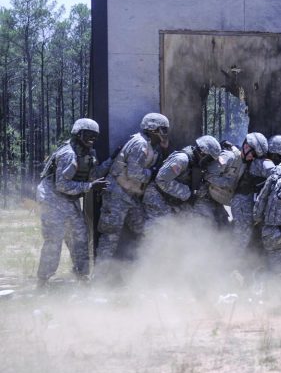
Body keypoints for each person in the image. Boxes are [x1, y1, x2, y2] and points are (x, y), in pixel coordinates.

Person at [35, 118, 110, 288]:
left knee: (80, 237)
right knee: (54, 239)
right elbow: (62, 185)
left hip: (69, 200)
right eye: (88, 135)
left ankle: (81, 275)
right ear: (78, 134)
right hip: (53, 198)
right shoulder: (68, 154)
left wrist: (112, 160)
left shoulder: (89, 154)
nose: (92, 139)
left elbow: (92, 174)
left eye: (94, 136)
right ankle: (43, 281)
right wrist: (90, 186)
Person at [96, 113, 169, 273]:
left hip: (130, 196)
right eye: (162, 129)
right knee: (110, 236)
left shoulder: (151, 146)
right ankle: (99, 279)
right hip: (117, 194)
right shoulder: (139, 144)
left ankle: (139, 274)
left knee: (145, 231)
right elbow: (134, 173)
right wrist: (155, 173)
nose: (165, 133)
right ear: (151, 129)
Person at [142, 135, 221, 225]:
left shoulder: (196, 164)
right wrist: (187, 192)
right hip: (156, 196)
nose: (210, 162)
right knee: (162, 227)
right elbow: (161, 179)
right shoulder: (182, 160)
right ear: (203, 153)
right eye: (210, 158)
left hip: (172, 199)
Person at [229, 133, 275, 253]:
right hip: (241, 205)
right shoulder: (237, 157)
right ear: (246, 146)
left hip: (247, 206)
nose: (251, 158)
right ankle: (232, 265)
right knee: (241, 237)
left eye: (255, 156)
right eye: (251, 154)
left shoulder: (258, 163)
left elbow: (273, 172)